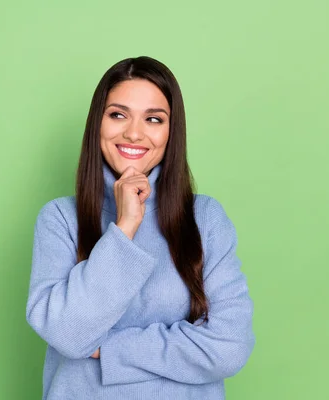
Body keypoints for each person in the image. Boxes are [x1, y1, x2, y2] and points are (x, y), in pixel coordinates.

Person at [25, 56, 255, 399]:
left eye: (153, 119)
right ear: (97, 124)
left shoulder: (205, 218)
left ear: (170, 132)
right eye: (118, 114)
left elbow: (230, 346)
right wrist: (126, 225)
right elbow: (67, 333)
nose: (134, 132)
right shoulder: (60, 219)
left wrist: (111, 350)